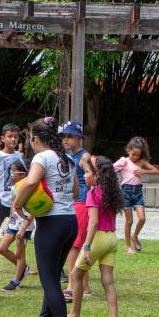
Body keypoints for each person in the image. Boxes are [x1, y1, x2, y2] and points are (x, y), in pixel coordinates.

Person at [15, 117, 78, 317]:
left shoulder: (42, 157)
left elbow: (31, 183)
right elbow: (75, 190)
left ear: (34, 139)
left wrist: (18, 204)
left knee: (49, 279)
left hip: (51, 224)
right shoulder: (67, 158)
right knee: (51, 276)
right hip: (70, 221)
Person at [68, 156, 123, 317]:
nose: (84, 176)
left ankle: (75, 316)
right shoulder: (111, 191)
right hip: (112, 239)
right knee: (108, 281)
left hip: (98, 238)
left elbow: (93, 223)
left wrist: (86, 247)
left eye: (87, 172)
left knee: (76, 275)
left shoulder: (93, 193)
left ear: (97, 175)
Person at [58, 121, 90, 302]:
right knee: (79, 244)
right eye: (64, 136)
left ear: (79, 137)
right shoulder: (72, 155)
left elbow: (92, 178)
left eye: (70, 136)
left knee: (74, 245)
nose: (66, 140)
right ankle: (84, 286)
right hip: (76, 202)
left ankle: (71, 285)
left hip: (82, 203)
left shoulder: (84, 157)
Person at [114, 137, 159, 255]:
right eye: (133, 154)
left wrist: (144, 171)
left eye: (138, 155)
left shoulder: (142, 162)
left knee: (142, 218)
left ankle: (134, 236)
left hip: (138, 192)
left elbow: (156, 171)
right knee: (129, 221)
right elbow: (111, 168)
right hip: (126, 192)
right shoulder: (124, 161)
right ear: (128, 150)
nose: (135, 157)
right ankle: (128, 246)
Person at [0, 159, 35, 292]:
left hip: (24, 224)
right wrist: (6, 224)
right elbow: (12, 208)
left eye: (14, 171)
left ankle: (15, 281)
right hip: (13, 223)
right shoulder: (15, 186)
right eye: (10, 171)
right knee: (2, 248)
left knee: (20, 253)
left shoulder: (29, 187)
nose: (11, 173)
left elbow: (32, 211)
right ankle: (23, 268)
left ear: (23, 174)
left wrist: (24, 228)